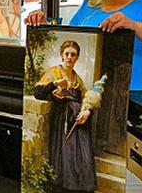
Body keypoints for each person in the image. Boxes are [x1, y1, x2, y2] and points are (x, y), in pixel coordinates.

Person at [34, 40, 97, 192]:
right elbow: (38, 93)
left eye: (73, 54)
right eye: (66, 54)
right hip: (62, 120)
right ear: (62, 55)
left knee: (83, 156)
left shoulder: (77, 78)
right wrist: (56, 83)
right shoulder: (54, 72)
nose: (69, 57)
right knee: (65, 155)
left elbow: (87, 100)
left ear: (77, 58)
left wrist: (87, 111)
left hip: (78, 123)